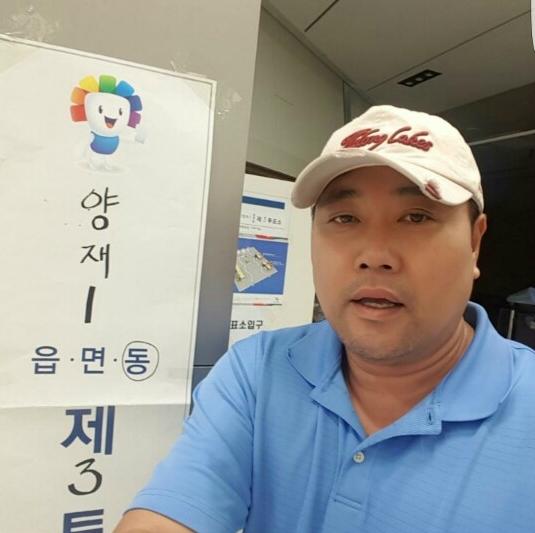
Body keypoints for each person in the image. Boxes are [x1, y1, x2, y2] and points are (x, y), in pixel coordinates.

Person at [114, 105, 535, 533]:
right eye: (345, 218)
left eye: (416, 217)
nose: (375, 255)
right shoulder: (257, 371)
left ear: (474, 242)